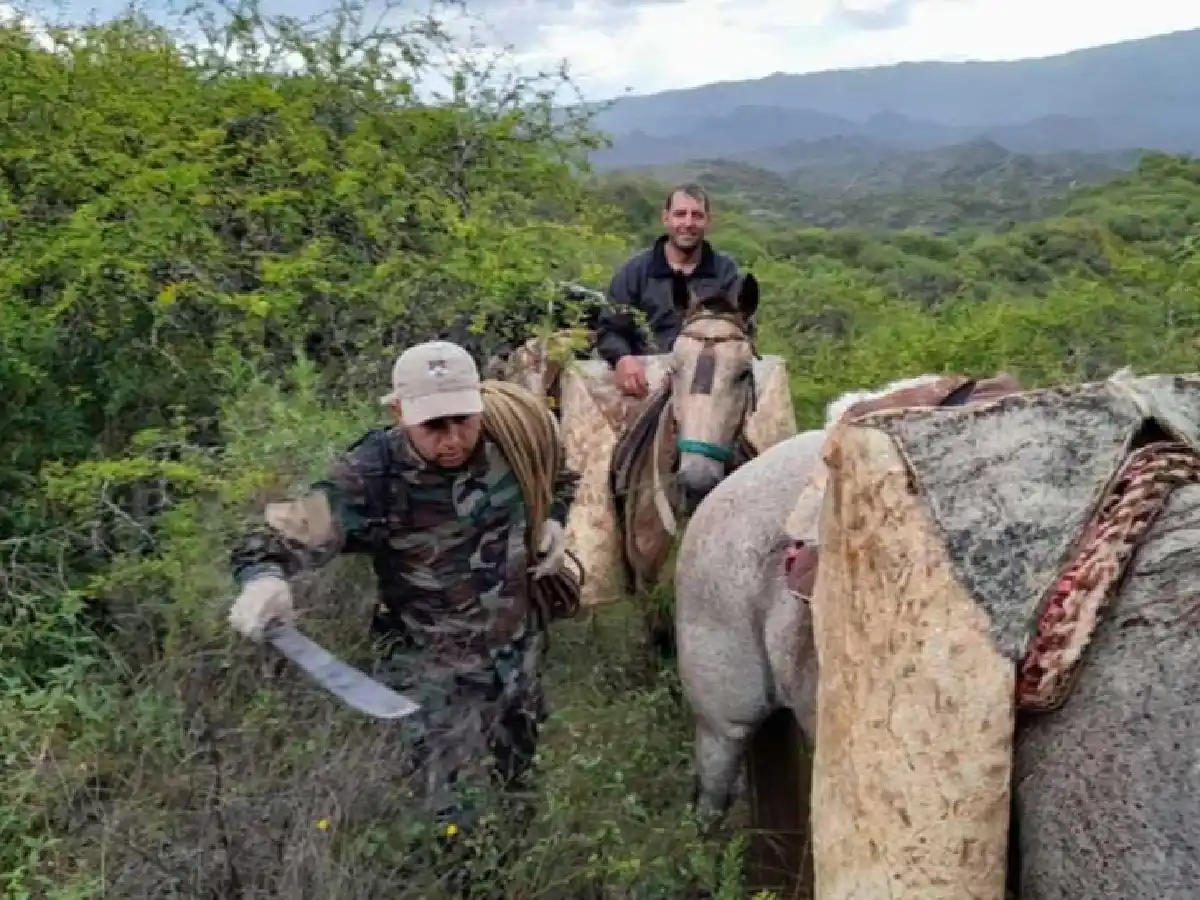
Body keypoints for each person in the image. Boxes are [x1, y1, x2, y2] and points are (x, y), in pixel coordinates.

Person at [224, 339, 580, 842]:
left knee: (518, 784)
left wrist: (554, 523)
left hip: (515, 653)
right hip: (431, 670)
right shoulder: (372, 473)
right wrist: (264, 579)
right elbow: (281, 534)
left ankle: (519, 856)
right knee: (449, 815)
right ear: (398, 411)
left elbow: (559, 475)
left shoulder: (514, 432)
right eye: (433, 425)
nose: (453, 438)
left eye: (463, 418)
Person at [595, 183, 744, 398]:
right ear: (666, 218)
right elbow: (609, 328)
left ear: (708, 221)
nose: (688, 223)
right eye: (680, 214)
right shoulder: (635, 271)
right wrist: (622, 358)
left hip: (709, 382)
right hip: (645, 380)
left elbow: (740, 328)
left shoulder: (725, 272)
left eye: (697, 216)